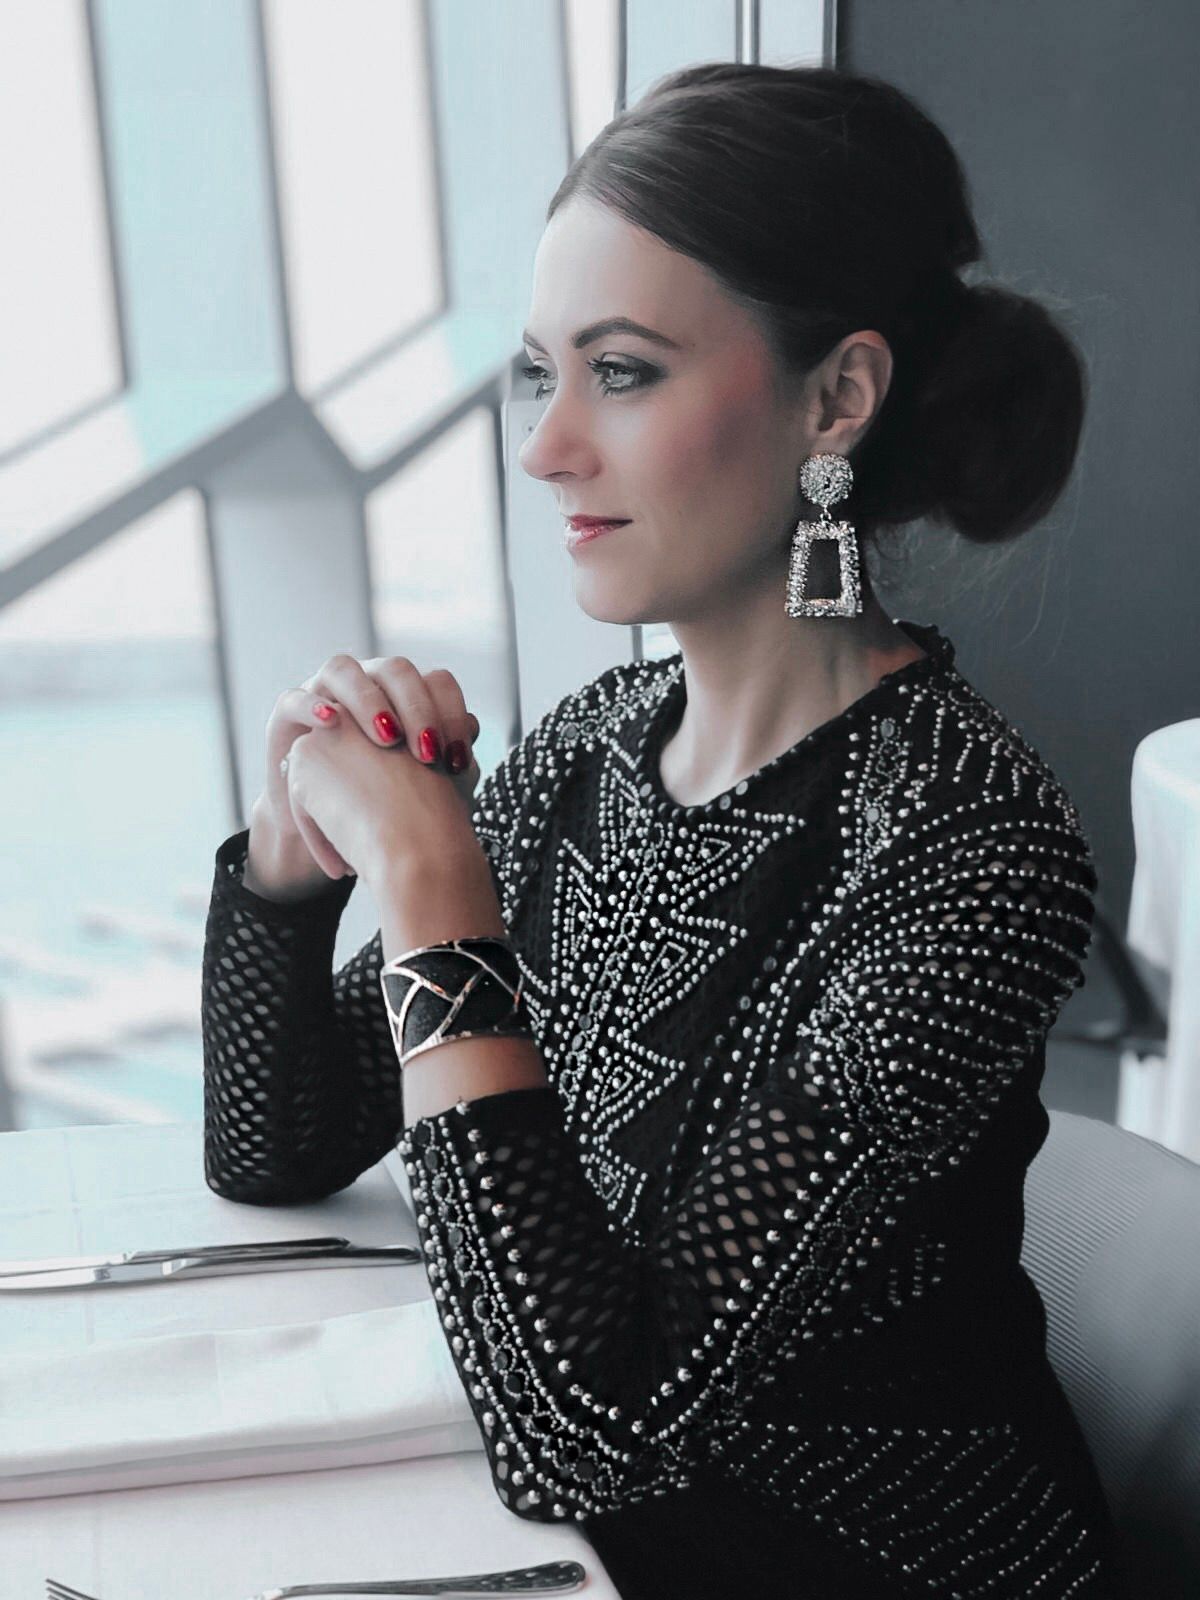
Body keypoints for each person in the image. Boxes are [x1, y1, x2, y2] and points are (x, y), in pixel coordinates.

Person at [201, 63, 1130, 1599]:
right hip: (598, 1543)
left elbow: (589, 1430)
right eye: (539, 373)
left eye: (621, 372)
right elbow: (278, 1147)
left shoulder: (972, 856)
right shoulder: (594, 748)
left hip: (878, 1563)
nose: (544, 447)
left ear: (835, 400)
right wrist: (292, 867)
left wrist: (431, 884)